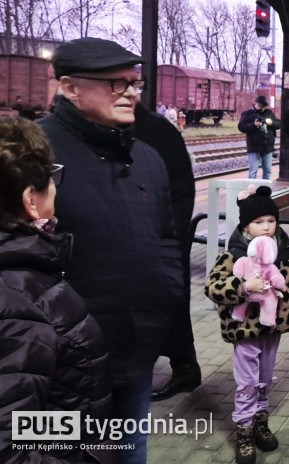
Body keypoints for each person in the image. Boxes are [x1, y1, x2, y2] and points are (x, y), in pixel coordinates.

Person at [38, 37, 184, 463]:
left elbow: (167, 237)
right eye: (114, 84)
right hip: (62, 364)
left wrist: (166, 298)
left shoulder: (147, 158)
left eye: (134, 84)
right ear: (70, 88)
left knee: (129, 451)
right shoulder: (37, 153)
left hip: (136, 348)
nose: (131, 94)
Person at [0, 118, 112, 464]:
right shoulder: (20, 303)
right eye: (52, 178)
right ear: (30, 200)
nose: (56, 188)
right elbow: (10, 448)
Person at [205, 186, 289, 464]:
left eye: (271, 220)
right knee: (247, 383)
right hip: (244, 330)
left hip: (274, 328)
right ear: (246, 225)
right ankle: (243, 430)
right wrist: (243, 287)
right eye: (259, 222)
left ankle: (260, 421)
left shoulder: (284, 251)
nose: (267, 227)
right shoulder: (234, 254)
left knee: (265, 378)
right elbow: (213, 287)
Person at [134, 103, 203, 402]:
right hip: (152, 236)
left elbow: (180, 190)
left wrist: (164, 235)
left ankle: (184, 368)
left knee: (168, 303)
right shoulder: (157, 130)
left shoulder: (156, 131)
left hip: (161, 238)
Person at [239, 95, 278, 180]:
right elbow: (241, 127)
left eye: (263, 106)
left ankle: (265, 190)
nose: (262, 108)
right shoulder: (247, 114)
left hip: (267, 146)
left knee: (267, 170)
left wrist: (271, 123)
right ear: (255, 104)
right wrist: (254, 125)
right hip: (254, 146)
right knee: (253, 171)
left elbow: (278, 124)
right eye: (260, 106)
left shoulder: (269, 113)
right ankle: (251, 191)